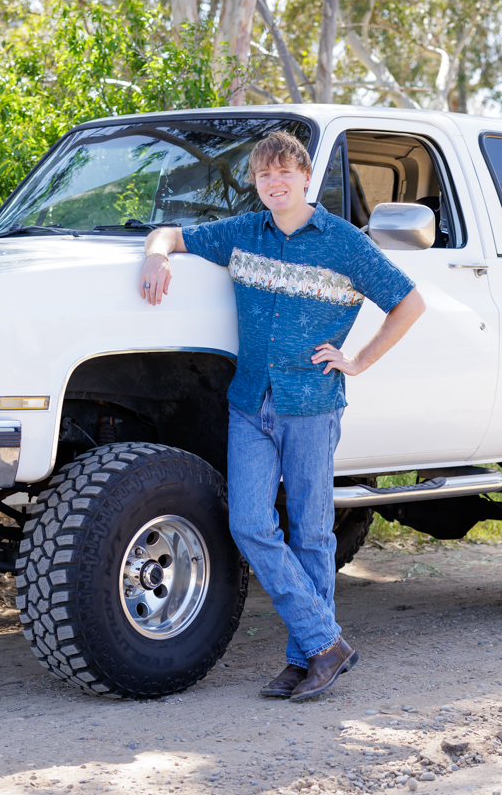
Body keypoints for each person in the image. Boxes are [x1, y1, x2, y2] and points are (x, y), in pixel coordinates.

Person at [139, 130, 425, 701]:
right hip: (250, 402)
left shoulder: (343, 242)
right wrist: (154, 256)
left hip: (311, 405)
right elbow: (171, 232)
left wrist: (359, 360)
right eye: (264, 175)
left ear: (304, 177)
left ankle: (306, 659)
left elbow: (409, 302)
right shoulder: (244, 233)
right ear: (257, 181)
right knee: (249, 523)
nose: (274, 184)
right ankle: (326, 642)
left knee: (313, 533)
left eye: (284, 174)